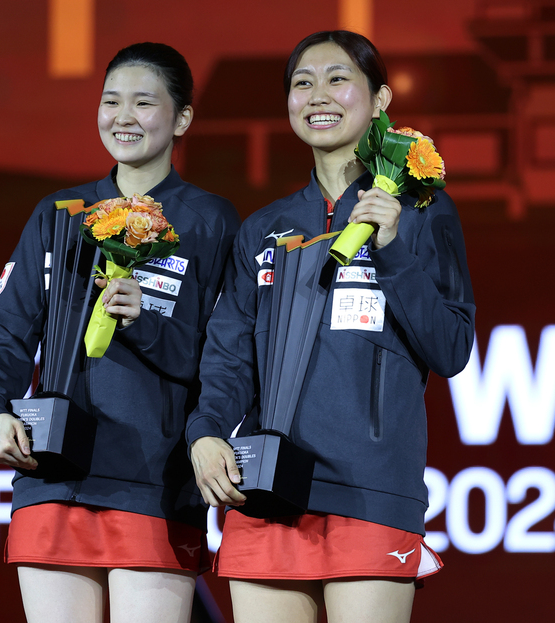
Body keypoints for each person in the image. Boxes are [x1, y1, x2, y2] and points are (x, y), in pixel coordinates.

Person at [186, 30, 475, 623]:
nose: (318, 94)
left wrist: (391, 248)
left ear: (381, 99)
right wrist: (206, 430)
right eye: (301, 82)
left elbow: (451, 347)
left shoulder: (424, 212)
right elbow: (229, 355)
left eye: (338, 78)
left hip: (370, 491)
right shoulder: (264, 228)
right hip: (265, 487)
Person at [0, 42, 240, 623]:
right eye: (111, 101)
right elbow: (8, 326)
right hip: (53, 474)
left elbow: (224, 353)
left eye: (144, 103)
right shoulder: (59, 212)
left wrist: (148, 323)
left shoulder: (211, 221)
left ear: (182, 118)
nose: (123, 116)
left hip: (152, 480)